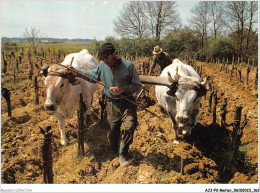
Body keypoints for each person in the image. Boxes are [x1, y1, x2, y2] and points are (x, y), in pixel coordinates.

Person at [66, 43, 142, 167]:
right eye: (103, 60)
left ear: (114, 54)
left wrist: (122, 89)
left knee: (128, 127)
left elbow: (138, 86)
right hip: (111, 103)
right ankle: (114, 150)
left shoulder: (128, 66)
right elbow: (93, 77)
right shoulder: (102, 66)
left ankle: (123, 155)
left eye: (108, 58)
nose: (106, 62)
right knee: (113, 131)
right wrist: (76, 72)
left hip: (128, 102)